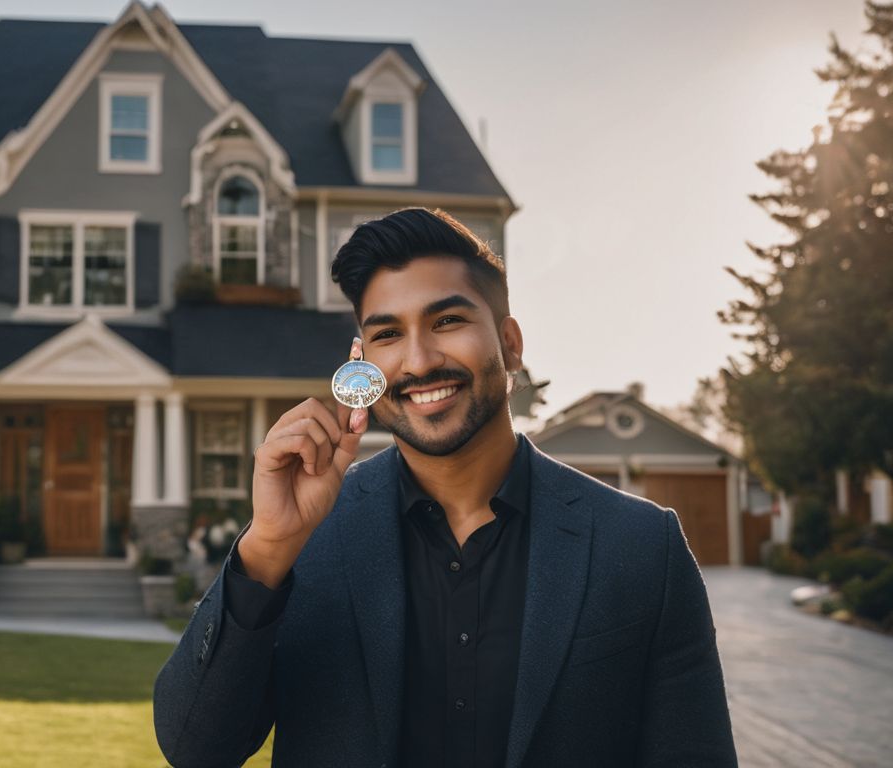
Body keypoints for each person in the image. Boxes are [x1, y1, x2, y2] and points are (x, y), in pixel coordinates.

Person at [153, 207, 737, 767]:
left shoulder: (641, 546)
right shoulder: (305, 542)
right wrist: (270, 546)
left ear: (510, 342)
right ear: (361, 362)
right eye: (387, 334)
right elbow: (197, 749)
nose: (418, 361)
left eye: (447, 321)